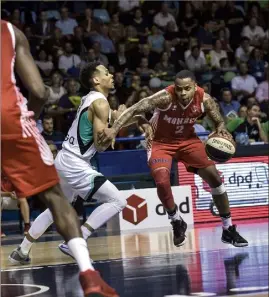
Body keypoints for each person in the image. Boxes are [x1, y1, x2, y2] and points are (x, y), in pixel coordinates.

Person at [1, 20, 118, 297]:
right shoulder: (9, 31)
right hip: (16, 123)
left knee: (54, 204)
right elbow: (40, 92)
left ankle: (23, 249)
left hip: (69, 159)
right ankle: (88, 271)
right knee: (65, 199)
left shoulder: (93, 99)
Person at [10, 62, 150, 268]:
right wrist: (119, 124)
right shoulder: (100, 103)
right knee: (117, 201)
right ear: (96, 80)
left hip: (64, 160)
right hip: (76, 163)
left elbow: (116, 117)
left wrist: (137, 118)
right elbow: (101, 145)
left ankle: (21, 250)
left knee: (57, 208)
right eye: (106, 73)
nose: (111, 75)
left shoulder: (92, 98)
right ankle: (77, 240)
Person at [98, 70, 248, 248]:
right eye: (179, 89)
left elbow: (219, 121)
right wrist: (114, 130)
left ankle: (228, 228)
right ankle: (176, 221)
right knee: (161, 181)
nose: (182, 93)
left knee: (214, 177)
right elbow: (136, 108)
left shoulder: (205, 99)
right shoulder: (165, 98)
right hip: (160, 142)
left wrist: (221, 129)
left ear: (195, 87)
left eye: (187, 89)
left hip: (188, 141)